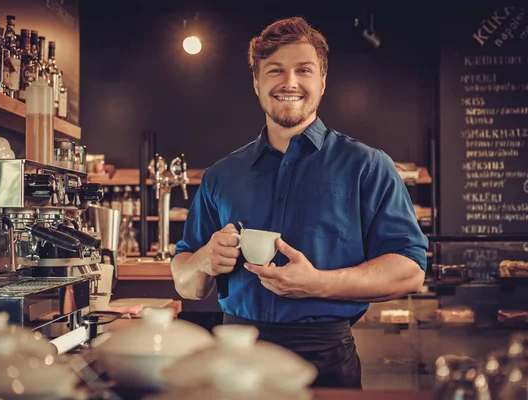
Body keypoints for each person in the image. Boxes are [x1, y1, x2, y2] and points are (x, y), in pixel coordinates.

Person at [170, 16, 428, 388]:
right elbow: (186, 283)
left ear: (322, 82)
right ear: (257, 83)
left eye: (303, 70)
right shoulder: (221, 174)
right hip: (236, 357)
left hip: (327, 359)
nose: (289, 82)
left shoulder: (367, 166)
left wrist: (319, 283)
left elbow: (410, 271)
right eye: (275, 70)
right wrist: (202, 261)